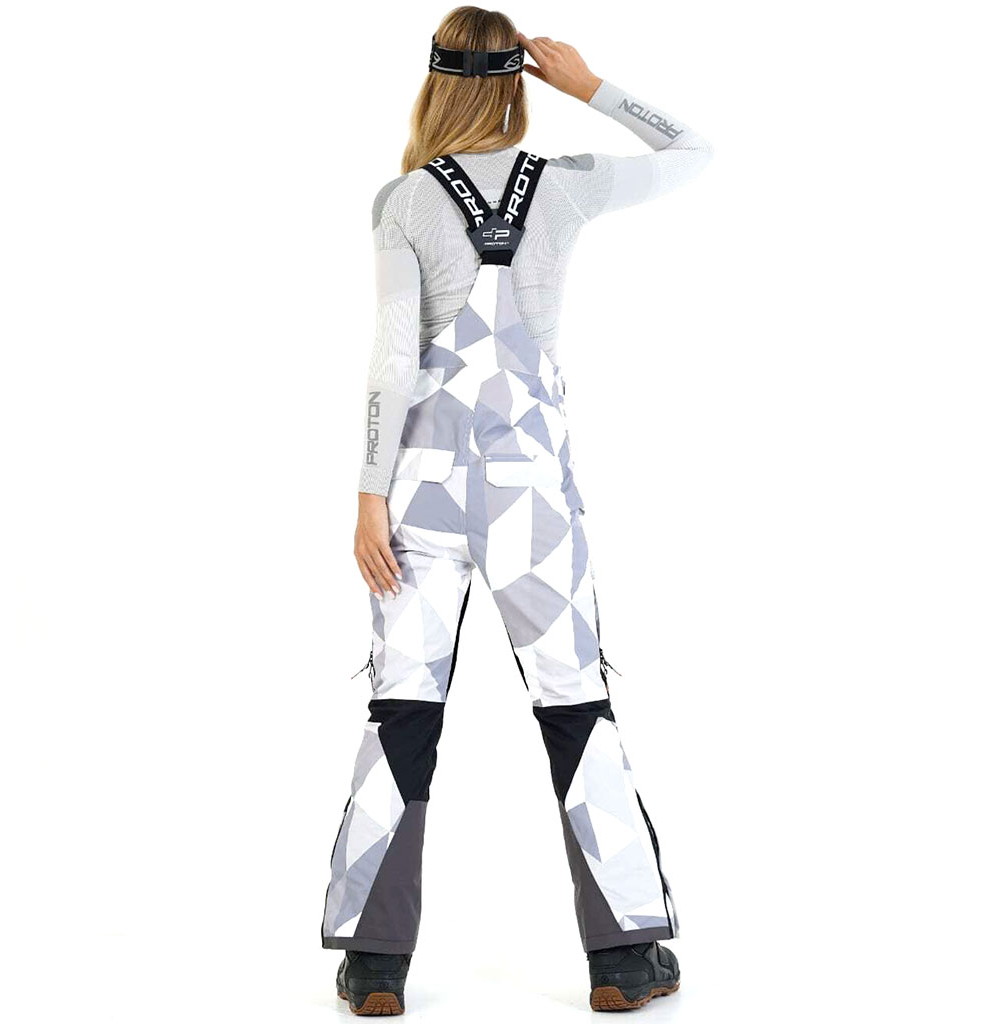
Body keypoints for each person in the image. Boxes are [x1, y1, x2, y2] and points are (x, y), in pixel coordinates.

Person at [323, 6, 712, 1015]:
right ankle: (624, 957)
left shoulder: (404, 200)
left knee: (401, 709)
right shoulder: (567, 186)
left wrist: (368, 496)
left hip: (419, 493)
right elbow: (695, 152)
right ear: (513, 82)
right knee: (575, 707)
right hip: (529, 493)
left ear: (434, 84)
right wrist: (591, 87)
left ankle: (375, 963)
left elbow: (393, 358)